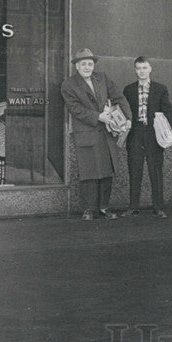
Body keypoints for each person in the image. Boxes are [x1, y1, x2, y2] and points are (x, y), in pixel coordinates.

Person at [61, 48, 131, 221]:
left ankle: (104, 208)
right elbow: (75, 109)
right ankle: (89, 210)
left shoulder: (103, 78)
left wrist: (128, 118)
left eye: (90, 64)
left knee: (107, 172)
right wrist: (98, 117)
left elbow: (118, 97)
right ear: (77, 66)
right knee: (89, 173)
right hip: (86, 133)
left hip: (107, 133)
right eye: (83, 64)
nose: (87, 67)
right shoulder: (68, 85)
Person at [122, 56, 172, 218]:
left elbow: (168, 111)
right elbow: (123, 111)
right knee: (134, 170)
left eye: (144, 68)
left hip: (153, 133)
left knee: (155, 170)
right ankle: (132, 206)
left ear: (150, 69)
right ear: (135, 70)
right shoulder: (128, 90)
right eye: (138, 68)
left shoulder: (160, 89)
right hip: (135, 133)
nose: (142, 71)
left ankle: (158, 207)